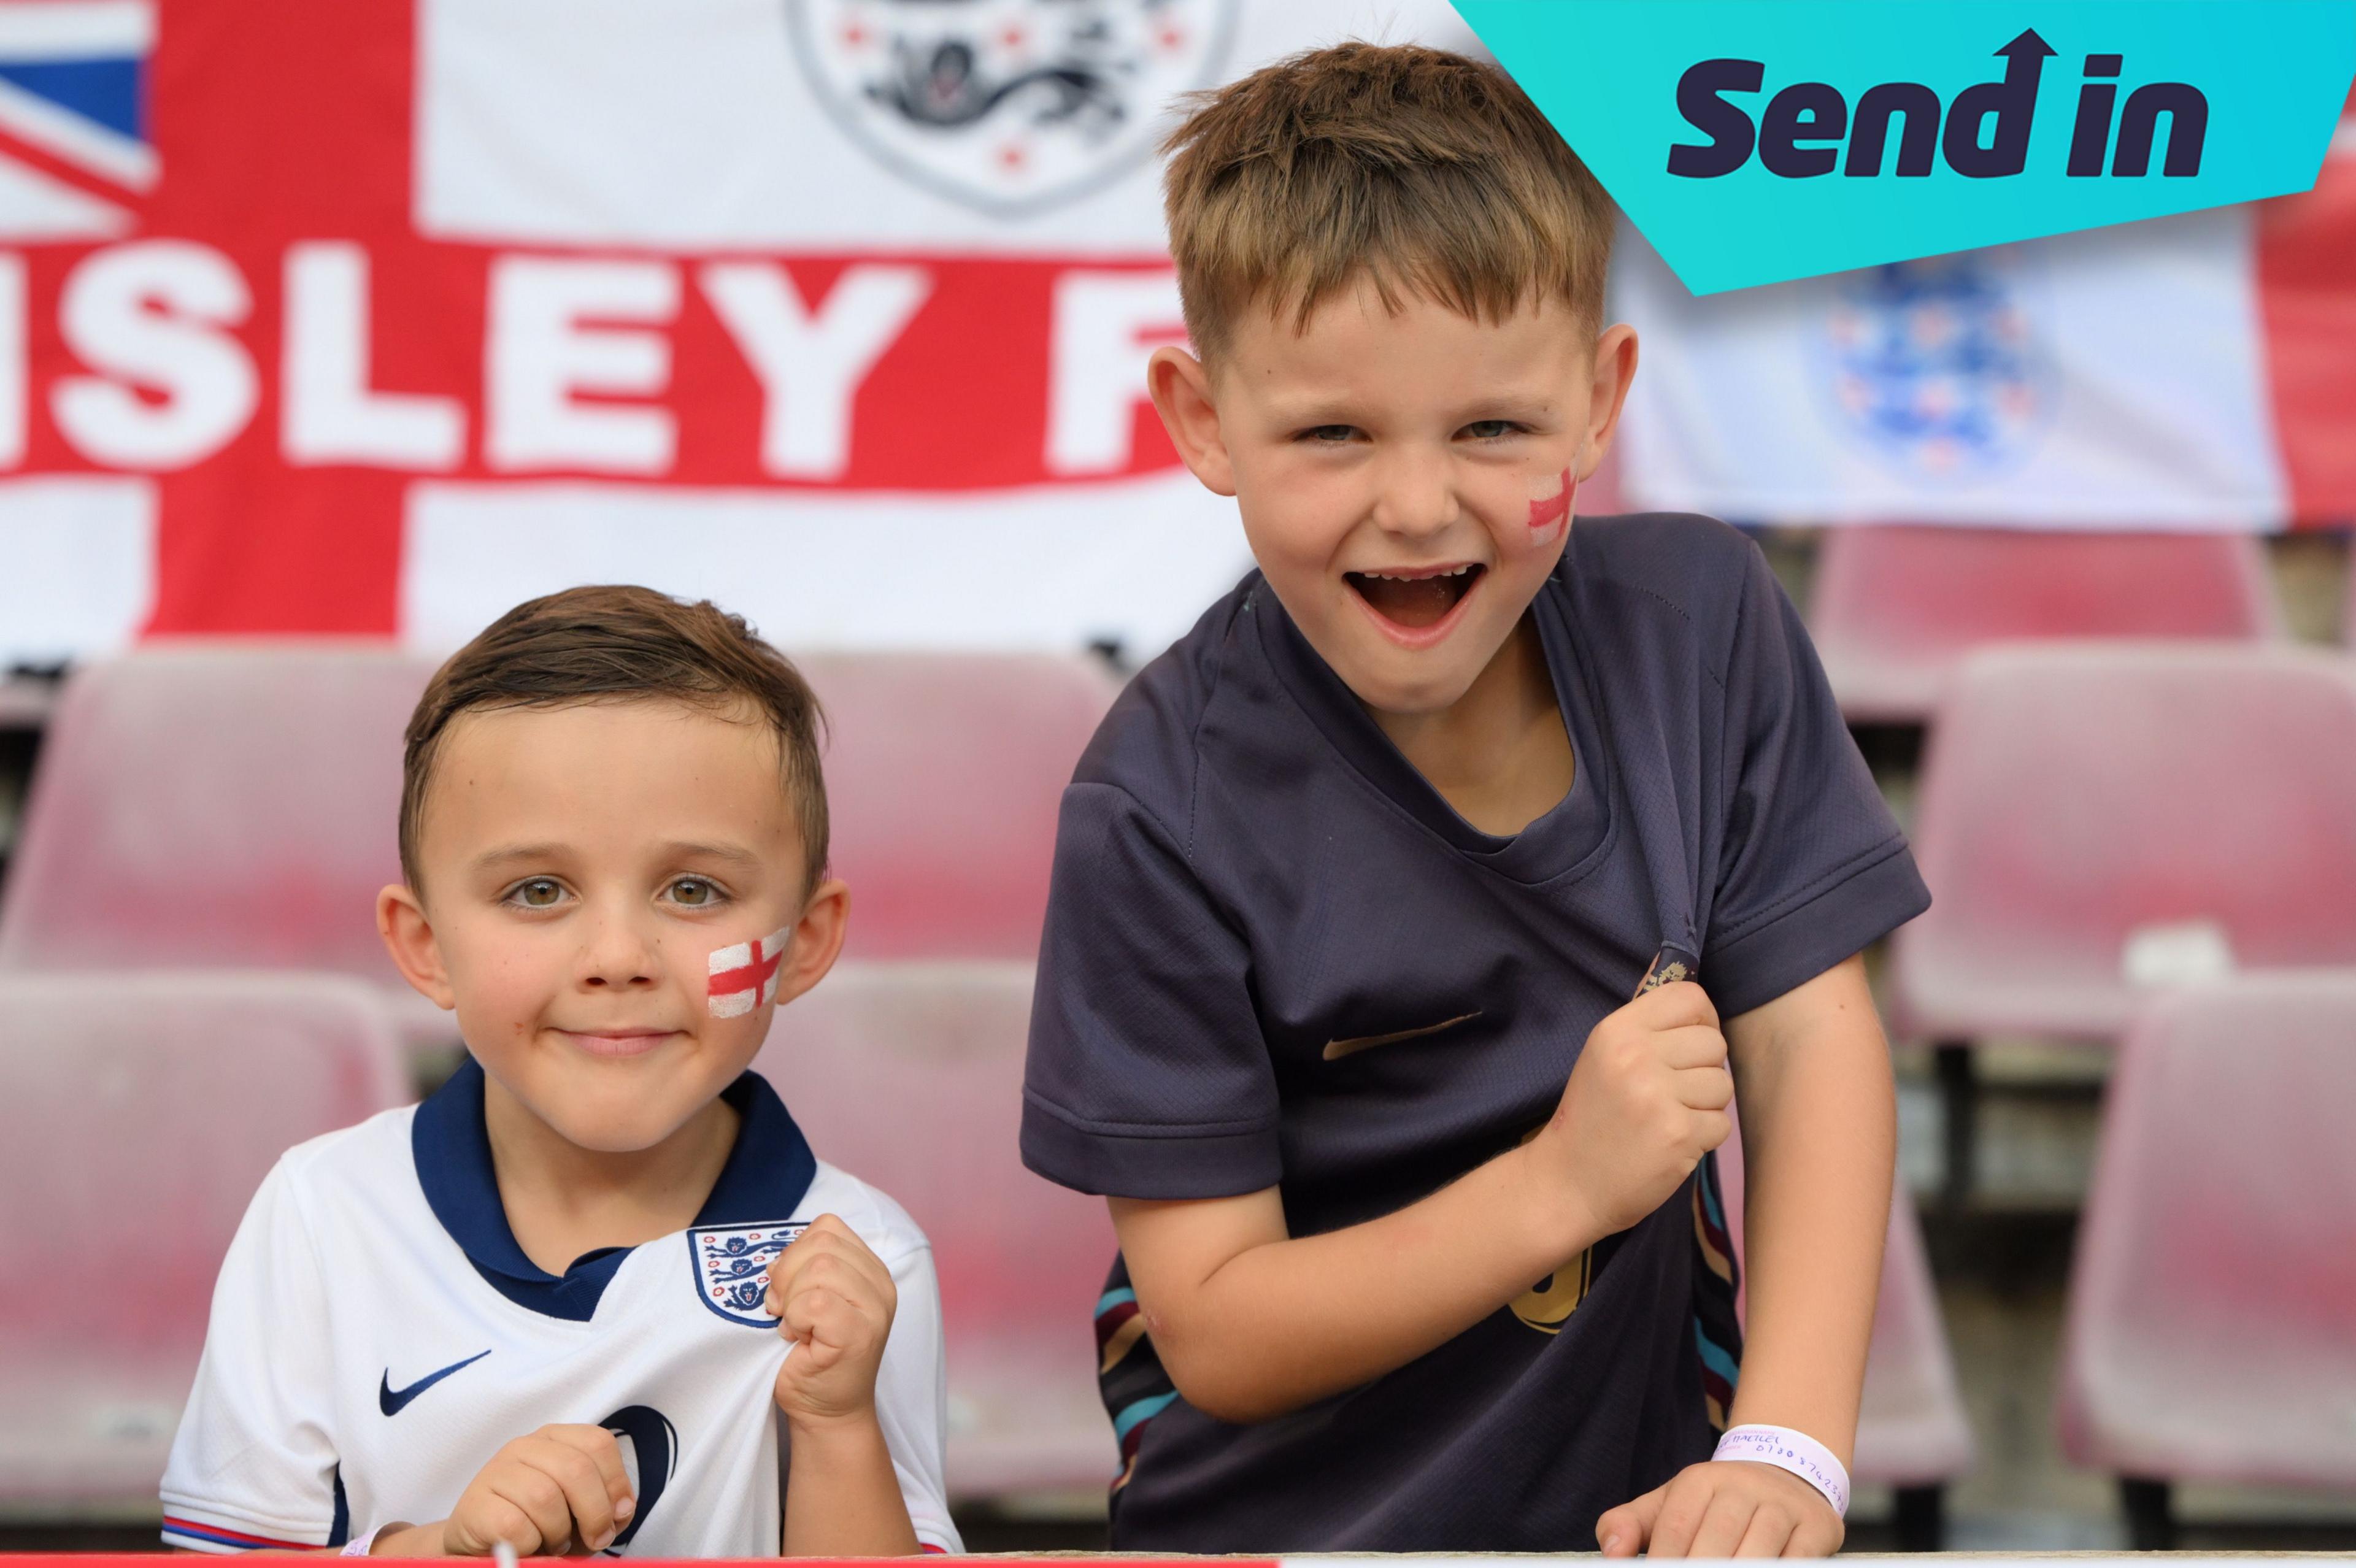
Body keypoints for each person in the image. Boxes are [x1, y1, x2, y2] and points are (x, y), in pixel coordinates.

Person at [1020, 42, 1928, 1557]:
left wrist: (1784, 1453)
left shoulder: (1704, 625)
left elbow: (1813, 1042)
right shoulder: (1152, 807)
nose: (1421, 504)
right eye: (1332, 434)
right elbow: (1220, 1333)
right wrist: (1562, 1186)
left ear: (1597, 401)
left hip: (1643, 1520)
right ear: (1200, 420)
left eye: (1492, 429)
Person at [160, 587, 958, 1558]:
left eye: (695, 889)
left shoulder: (864, 1260)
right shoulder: (323, 1216)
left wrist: (837, 1428)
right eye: (537, 891)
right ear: (426, 947)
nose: (617, 955)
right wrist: (450, 1547)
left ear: (804, 941)